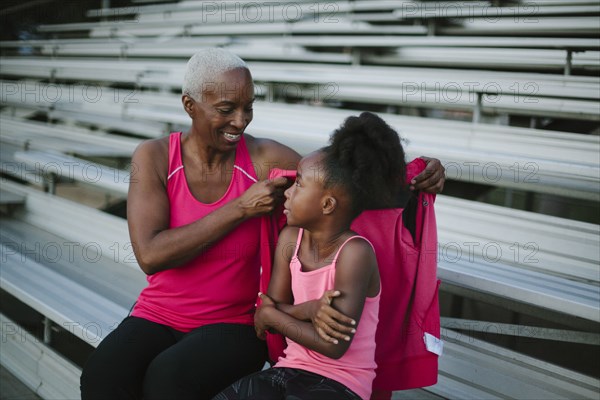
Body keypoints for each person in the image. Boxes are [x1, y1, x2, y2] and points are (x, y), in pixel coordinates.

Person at [80, 48, 445, 400]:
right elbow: (150, 254)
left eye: (248, 107)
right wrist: (240, 208)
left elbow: (336, 183)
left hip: (235, 324)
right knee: (102, 377)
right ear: (190, 105)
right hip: (157, 313)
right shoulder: (154, 156)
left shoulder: (262, 158)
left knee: (168, 380)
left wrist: (415, 174)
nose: (241, 120)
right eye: (227, 109)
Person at [214, 111, 407, 400]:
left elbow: (333, 345)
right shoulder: (290, 239)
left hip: (343, 384)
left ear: (327, 204)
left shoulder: (355, 253)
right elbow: (267, 312)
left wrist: (273, 316)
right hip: (290, 369)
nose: (288, 193)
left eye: (299, 184)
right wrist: (306, 311)